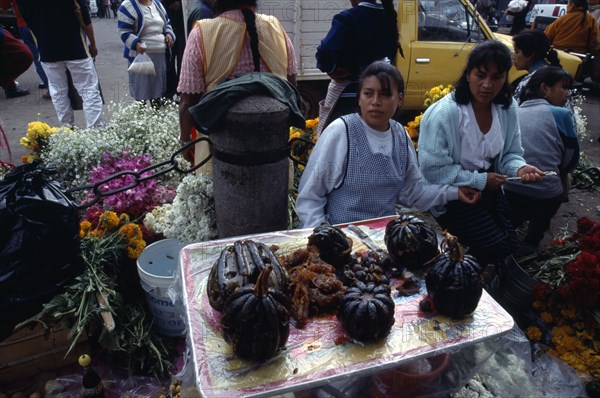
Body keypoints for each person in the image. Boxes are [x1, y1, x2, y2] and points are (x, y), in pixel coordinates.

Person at [296, 61, 480, 228]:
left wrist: (454, 192)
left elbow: (411, 193)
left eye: (385, 94)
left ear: (399, 99)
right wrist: (322, 237)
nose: (375, 102)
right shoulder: (342, 132)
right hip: (342, 238)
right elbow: (310, 197)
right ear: (359, 98)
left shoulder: (400, 136)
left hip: (383, 240)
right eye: (368, 94)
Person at [418, 41, 544, 266]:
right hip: (452, 194)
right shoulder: (444, 114)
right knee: (496, 246)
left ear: (505, 77)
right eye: (481, 75)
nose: (487, 84)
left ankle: (467, 270)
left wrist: (520, 168)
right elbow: (433, 170)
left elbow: (510, 154)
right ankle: (455, 273)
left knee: (509, 242)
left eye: (497, 77)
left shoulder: (507, 108)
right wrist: (481, 180)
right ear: (468, 75)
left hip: (490, 190)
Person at [177, 0, 298, 166]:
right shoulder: (276, 27)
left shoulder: (202, 32)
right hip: (275, 152)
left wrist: (185, 142)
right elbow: (291, 86)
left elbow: (188, 101)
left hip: (218, 152)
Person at [504, 67, 579, 248]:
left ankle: (508, 234)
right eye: (564, 88)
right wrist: (559, 172)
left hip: (509, 187)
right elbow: (572, 157)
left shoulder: (515, 110)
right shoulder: (561, 114)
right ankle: (533, 239)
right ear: (545, 89)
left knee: (510, 221)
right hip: (544, 193)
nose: (567, 94)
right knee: (559, 186)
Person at [315, 0, 399, 135]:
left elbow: (325, 51)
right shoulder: (388, 17)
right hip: (380, 95)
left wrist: (332, 68)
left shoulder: (347, 18)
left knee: (341, 143)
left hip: (347, 94)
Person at [16, 0, 104, 128]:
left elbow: (28, 19)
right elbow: (84, 16)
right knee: (88, 89)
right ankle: (95, 130)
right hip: (75, 46)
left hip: (47, 48)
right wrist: (93, 44)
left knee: (58, 91)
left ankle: (66, 129)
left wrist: (42, 38)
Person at [117, 0, 175, 106]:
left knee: (158, 91)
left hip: (159, 55)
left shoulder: (157, 4)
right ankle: (142, 120)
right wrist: (136, 43)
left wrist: (168, 34)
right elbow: (124, 31)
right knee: (141, 91)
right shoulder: (128, 6)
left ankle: (156, 117)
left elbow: (167, 23)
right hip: (141, 56)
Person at [0, 0, 44, 98]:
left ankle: (51, 86)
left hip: (25, 22)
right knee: (43, 52)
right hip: (43, 20)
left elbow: (4, 5)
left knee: (35, 55)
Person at [512, 29, 562, 102]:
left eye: (517, 51)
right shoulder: (553, 72)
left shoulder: (531, 80)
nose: (513, 57)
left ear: (530, 53)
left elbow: (516, 110)